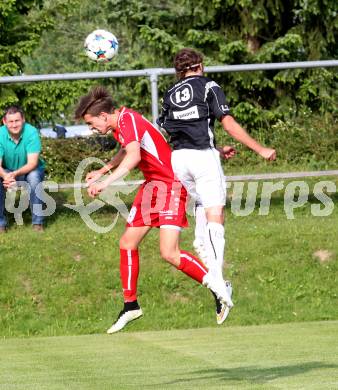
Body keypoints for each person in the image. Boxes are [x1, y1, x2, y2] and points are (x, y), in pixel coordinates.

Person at [74, 86, 233, 333]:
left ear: (104, 116)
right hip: (153, 187)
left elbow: (134, 156)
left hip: (170, 185)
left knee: (169, 253)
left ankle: (218, 285)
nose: (91, 128)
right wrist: (103, 169)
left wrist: (105, 182)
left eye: (92, 123)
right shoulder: (122, 125)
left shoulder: (129, 119)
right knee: (127, 243)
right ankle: (131, 305)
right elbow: (126, 150)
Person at [157, 48, 277, 323]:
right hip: (201, 159)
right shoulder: (209, 85)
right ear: (200, 65)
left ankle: (213, 278)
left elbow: (170, 130)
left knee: (201, 220)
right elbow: (228, 122)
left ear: (179, 71)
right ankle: (220, 283)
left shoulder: (170, 93)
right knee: (215, 216)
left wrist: (218, 148)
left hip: (179, 160)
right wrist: (260, 149)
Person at [0, 105, 45, 232]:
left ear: (23, 120)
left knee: (34, 178)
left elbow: (32, 163)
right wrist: (6, 176)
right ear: (4, 122)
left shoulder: (31, 132)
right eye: (11, 121)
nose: (14, 125)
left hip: (30, 169)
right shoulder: (0, 134)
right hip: (7, 170)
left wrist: (14, 174)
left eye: (17, 121)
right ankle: (0, 224)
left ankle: (38, 223)